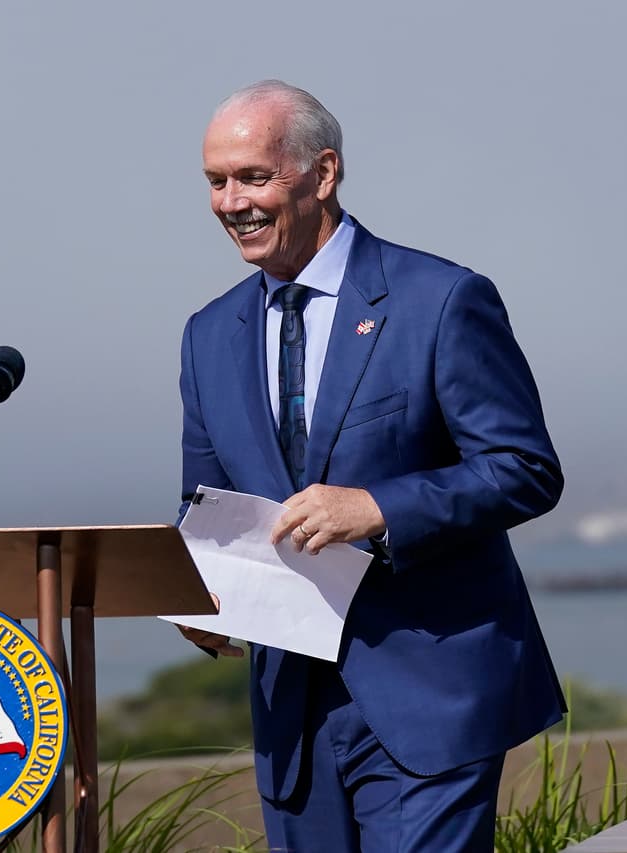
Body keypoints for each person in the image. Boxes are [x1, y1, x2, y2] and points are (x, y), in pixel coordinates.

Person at [176, 81, 566, 851]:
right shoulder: (207, 334)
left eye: (252, 176)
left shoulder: (443, 299)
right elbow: (204, 506)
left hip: (431, 694)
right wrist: (195, 592)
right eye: (216, 181)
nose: (230, 202)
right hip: (291, 712)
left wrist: (378, 509)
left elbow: (525, 466)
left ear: (323, 174)